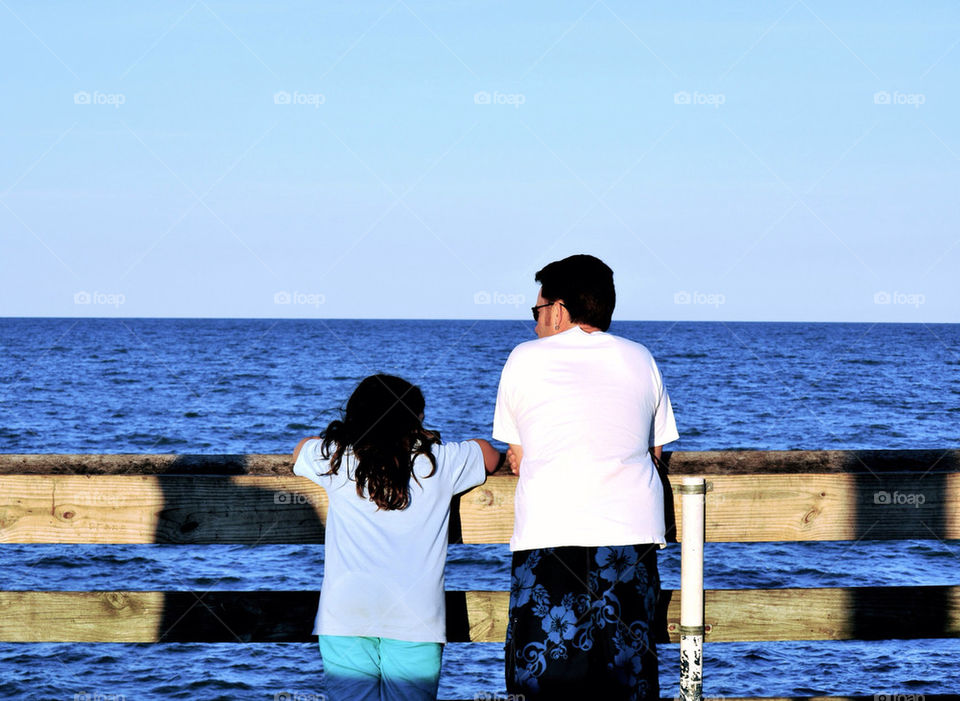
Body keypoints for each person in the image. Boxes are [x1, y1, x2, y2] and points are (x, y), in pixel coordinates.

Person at [493, 254, 679, 700]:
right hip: (629, 534)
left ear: (558, 309)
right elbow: (656, 453)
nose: (536, 324)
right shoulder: (641, 357)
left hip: (550, 534)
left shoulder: (524, 358)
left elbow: (516, 456)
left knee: (543, 678)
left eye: (537, 312)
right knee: (627, 675)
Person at [292, 374, 502, 701]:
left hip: (346, 614)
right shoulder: (437, 460)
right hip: (415, 619)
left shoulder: (337, 457)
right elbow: (489, 454)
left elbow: (299, 450)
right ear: (413, 420)